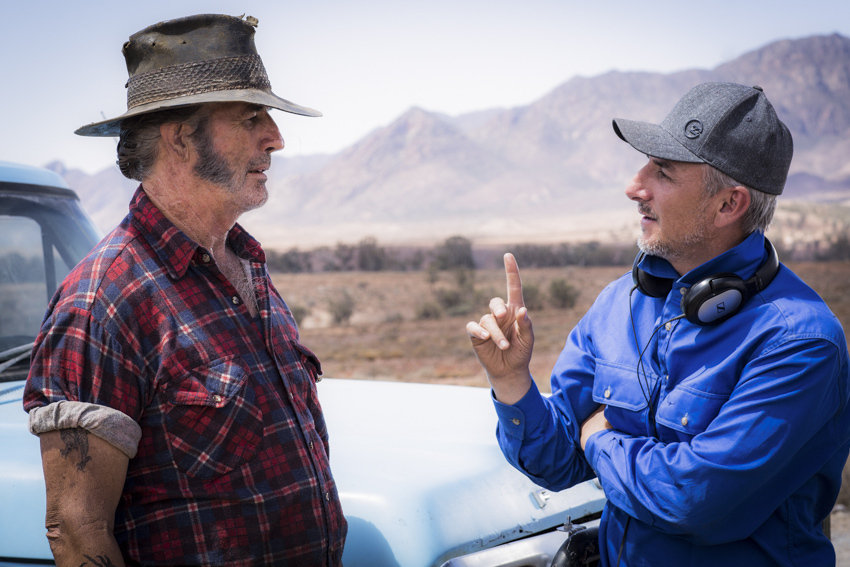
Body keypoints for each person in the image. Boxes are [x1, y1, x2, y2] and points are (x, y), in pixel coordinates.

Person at [467, 82, 850, 566]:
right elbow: (558, 462)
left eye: (662, 171)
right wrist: (511, 383)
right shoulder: (618, 303)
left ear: (728, 205)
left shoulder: (800, 342)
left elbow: (691, 500)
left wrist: (599, 439)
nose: (634, 187)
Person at [23, 14, 347, 566]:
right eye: (251, 118)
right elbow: (77, 533)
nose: (277, 137)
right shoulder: (104, 303)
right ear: (179, 137)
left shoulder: (246, 264)